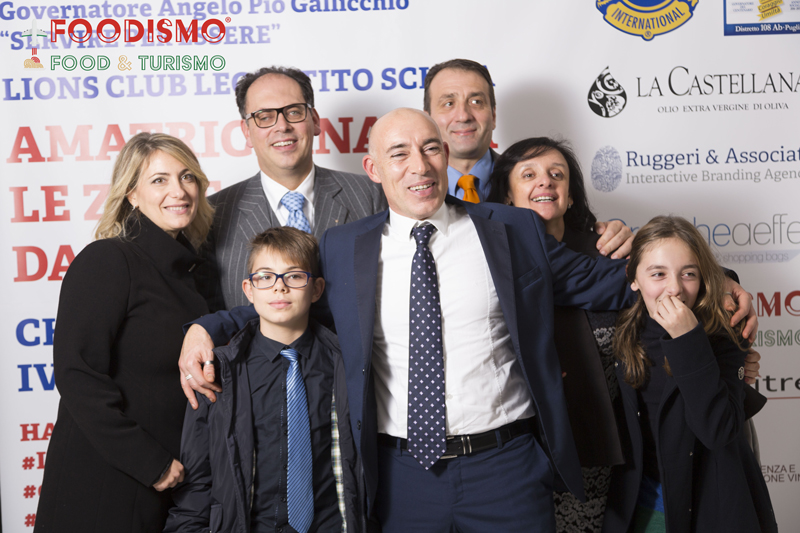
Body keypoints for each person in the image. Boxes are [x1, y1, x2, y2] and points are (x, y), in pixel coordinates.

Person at [180, 109, 755, 532]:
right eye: (400, 153)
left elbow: (613, 282)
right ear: (373, 168)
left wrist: (716, 278)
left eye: (431, 147)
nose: (420, 165)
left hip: (508, 468)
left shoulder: (511, 230)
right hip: (400, 474)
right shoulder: (344, 245)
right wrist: (210, 326)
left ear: (446, 156)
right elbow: (289, 298)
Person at [487, 138, 763, 532]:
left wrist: (718, 287)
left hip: (612, 458)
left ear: (570, 194)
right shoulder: (487, 254)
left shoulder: (607, 251)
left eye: (556, 174)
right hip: (524, 451)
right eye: (529, 174)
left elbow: (664, 273)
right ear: (506, 197)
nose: (545, 182)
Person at [34, 133, 214, 533]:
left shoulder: (188, 273)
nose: (179, 190)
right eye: (159, 180)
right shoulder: (108, 259)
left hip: (170, 484)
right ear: (131, 194)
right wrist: (150, 463)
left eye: (187, 177)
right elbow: (77, 375)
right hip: (107, 482)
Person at [165, 227, 360, 533]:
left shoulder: (346, 365)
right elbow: (197, 481)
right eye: (266, 277)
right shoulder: (218, 372)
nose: (279, 287)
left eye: (294, 276)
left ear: (316, 289)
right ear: (249, 289)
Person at [602, 216, 777, 533]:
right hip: (642, 504)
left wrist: (688, 339)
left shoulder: (725, 332)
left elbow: (718, 431)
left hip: (710, 507)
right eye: (658, 274)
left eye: (689, 274)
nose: (675, 289)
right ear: (633, 278)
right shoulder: (620, 326)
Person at [423, 58, 632, 258]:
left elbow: (576, 240)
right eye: (448, 103)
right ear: (428, 118)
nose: (463, 116)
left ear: (493, 115)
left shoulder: (543, 188)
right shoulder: (404, 193)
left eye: (476, 102)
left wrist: (611, 238)